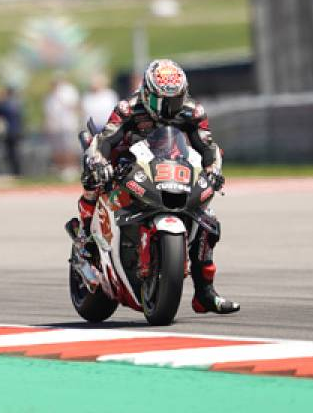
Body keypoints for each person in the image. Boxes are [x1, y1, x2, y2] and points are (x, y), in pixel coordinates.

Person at [69, 59, 240, 315]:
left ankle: (205, 292)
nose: (167, 108)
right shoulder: (128, 108)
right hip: (126, 161)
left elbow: (208, 147)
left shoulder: (193, 112)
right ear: (147, 92)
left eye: (174, 100)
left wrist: (214, 170)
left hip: (171, 166)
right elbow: (105, 140)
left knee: (208, 220)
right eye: (160, 100)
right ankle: (85, 237)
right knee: (94, 175)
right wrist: (100, 162)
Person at [44, 75, 80, 179]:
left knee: (69, 147)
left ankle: (71, 168)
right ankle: (60, 168)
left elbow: (74, 106)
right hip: (55, 126)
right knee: (57, 148)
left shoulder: (69, 91)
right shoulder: (50, 96)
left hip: (68, 124)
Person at [0, 86, 24, 175]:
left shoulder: (9, 104)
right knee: (13, 153)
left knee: (13, 153)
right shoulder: (16, 102)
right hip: (15, 131)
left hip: (12, 132)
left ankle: (16, 172)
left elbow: (1, 110)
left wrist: (0, 100)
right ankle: (16, 171)